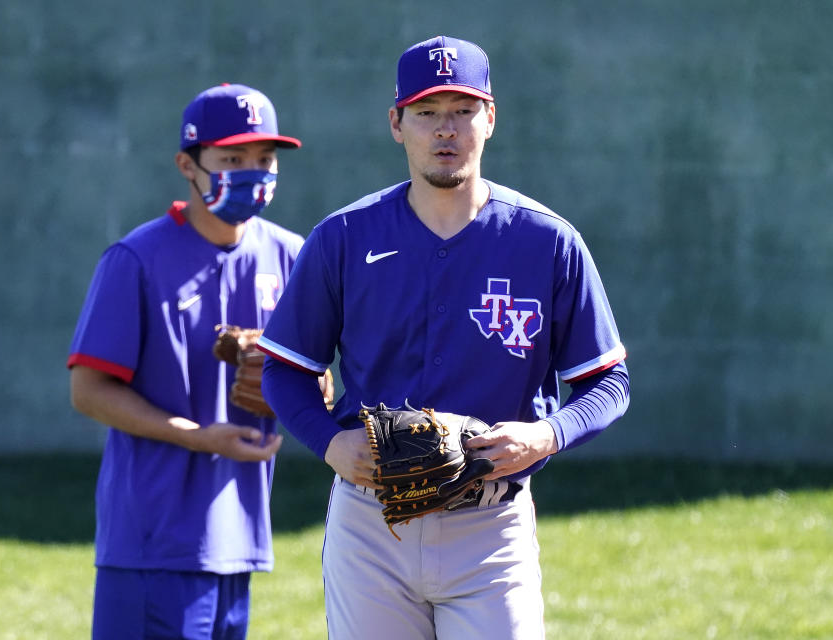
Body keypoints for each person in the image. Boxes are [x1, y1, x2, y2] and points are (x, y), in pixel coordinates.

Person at [257, 36, 630, 639]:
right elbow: (284, 368)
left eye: (461, 110)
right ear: (396, 124)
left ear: (491, 119)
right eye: (427, 112)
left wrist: (547, 433)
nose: (445, 129)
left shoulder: (547, 242)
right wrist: (329, 443)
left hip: (490, 525)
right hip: (371, 520)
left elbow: (608, 381)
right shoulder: (344, 238)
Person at [67, 83, 303, 640]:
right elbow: (89, 389)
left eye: (264, 159)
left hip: (241, 536)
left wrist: (308, 393)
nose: (253, 172)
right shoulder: (136, 259)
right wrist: (198, 435)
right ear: (187, 164)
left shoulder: (290, 255)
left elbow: (313, 380)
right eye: (232, 159)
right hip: (154, 538)